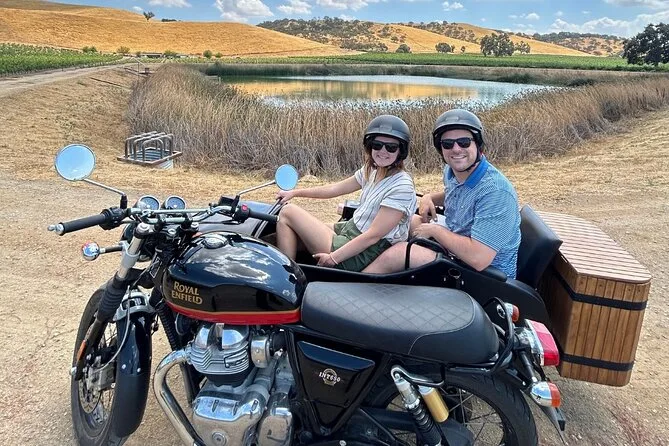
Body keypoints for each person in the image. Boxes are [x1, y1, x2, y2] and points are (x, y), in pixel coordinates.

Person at [363, 109, 521, 278]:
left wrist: (436, 231)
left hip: (484, 276)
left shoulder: (496, 192)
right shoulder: (452, 171)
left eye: (464, 142)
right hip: (457, 245)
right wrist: (428, 197)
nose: (456, 149)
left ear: (478, 144)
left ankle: (355, 282)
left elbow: (479, 259)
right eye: (447, 144)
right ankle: (365, 256)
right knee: (404, 221)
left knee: (399, 253)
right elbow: (458, 195)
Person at [275, 115, 417, 272]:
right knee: (291, 232)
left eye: (391, 147)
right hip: (350, 230)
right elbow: (335, 189)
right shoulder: (372, 170)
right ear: (370, 146)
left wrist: (333, 258)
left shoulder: (402, 186)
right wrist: (295, 193)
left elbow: (373, 236)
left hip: (364, 253)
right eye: (377, 145)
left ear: (401, 151)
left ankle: (285, 276)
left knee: (288, 212)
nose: (383, 151)